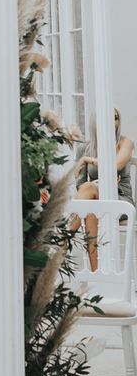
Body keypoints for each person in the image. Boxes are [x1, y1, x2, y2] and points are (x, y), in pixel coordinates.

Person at [74, 108, 135, 270]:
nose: (112, 123)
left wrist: (88, 160)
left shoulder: (125, 143)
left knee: (89, 194)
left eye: (115, 118)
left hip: (120, 200)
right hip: (96, 198)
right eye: (107, 119)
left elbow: (117, 165)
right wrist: (100, 182)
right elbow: (80, 186)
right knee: (90, 207)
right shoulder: (84, 148)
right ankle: (96, 272)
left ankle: (64, 237)